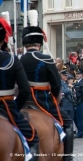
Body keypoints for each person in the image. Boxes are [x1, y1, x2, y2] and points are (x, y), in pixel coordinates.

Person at [20, 26, 74, 161]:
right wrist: (55, 98)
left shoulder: (18, 59)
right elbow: (56, 85)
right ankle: (67, 157)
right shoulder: (46, 59)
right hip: (44, 102)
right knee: (68, 123)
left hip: (21, 102)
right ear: (39, 43)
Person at [0, 17, 39, 159]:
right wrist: (15, 106)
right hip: (7, 106)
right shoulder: (12, 59)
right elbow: (24, 90)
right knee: (32, 136)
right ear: (3, 39)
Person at [73, 69, 83, 138]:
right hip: (76, 102)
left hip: (80, 101)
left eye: (78, 74)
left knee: (80, 117)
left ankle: (81, 131)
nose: (77, 75)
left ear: (82, 76)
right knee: (75, 117)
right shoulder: (76, 83)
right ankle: (82, 130)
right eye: (76, 74)